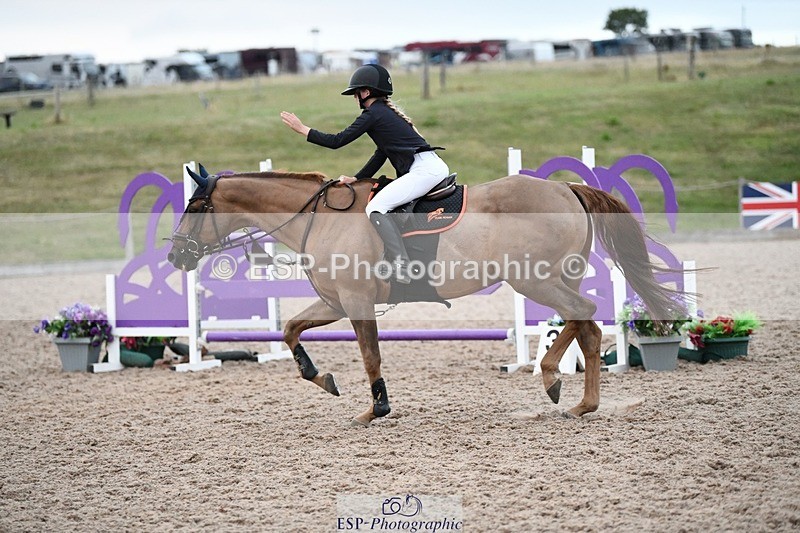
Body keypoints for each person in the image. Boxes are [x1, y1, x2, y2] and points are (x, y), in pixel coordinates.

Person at [280, 64, 450, 284]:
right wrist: (358, 178)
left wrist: (303, 129)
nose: (354, 98)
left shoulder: (373, 114)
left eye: (355, 93)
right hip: (428, 167)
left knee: (375, 208)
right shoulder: (382, 113)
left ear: (366, 92)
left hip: (425, 171)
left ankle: (402, 266)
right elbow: (382, 153)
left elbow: (337, 141)